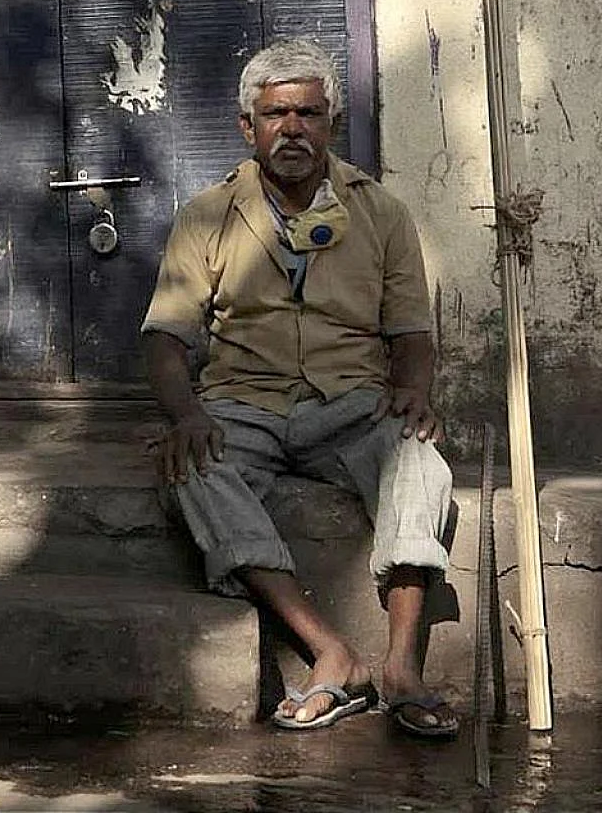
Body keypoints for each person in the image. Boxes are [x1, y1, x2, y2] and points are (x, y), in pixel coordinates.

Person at [140, 38, 459, 738]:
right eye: (276, 114)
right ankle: (330, 651)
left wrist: (414, 391)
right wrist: (188, 416)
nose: (293, 129)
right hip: (242, 406)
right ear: (246, 126)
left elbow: (411, 332)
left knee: (422, 465)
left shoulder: (382, 213)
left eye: (309, 114)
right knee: (192, 469)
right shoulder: (204, 216)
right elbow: (166, 340)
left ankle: (402, 666)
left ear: (332, 125)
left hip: (350, 406)